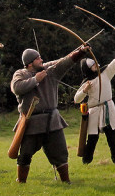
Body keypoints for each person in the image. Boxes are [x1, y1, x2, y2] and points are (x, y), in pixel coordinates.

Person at [10, 45, 89, 183]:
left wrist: (81, 52)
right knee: (25, 154)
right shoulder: (20, 73)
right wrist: (36, 80)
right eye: (37, 58)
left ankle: (66, 181)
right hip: (31, 122)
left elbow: (65, 61)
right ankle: (21, 182)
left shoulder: (50, 70)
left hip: (52, 120)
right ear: (29, 63)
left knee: (60, 153)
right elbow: (16, 88)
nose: (41, 60)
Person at [73, 39, 115, 165]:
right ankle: (86, 161)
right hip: (94, 111)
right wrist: (85, 90)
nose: (97, 66)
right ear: (88, 69)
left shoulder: (105, 73)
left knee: (112, 136)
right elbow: (76, 99)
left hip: (108, 108)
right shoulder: (86, 83)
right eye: (94, 65)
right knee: (92, 138)